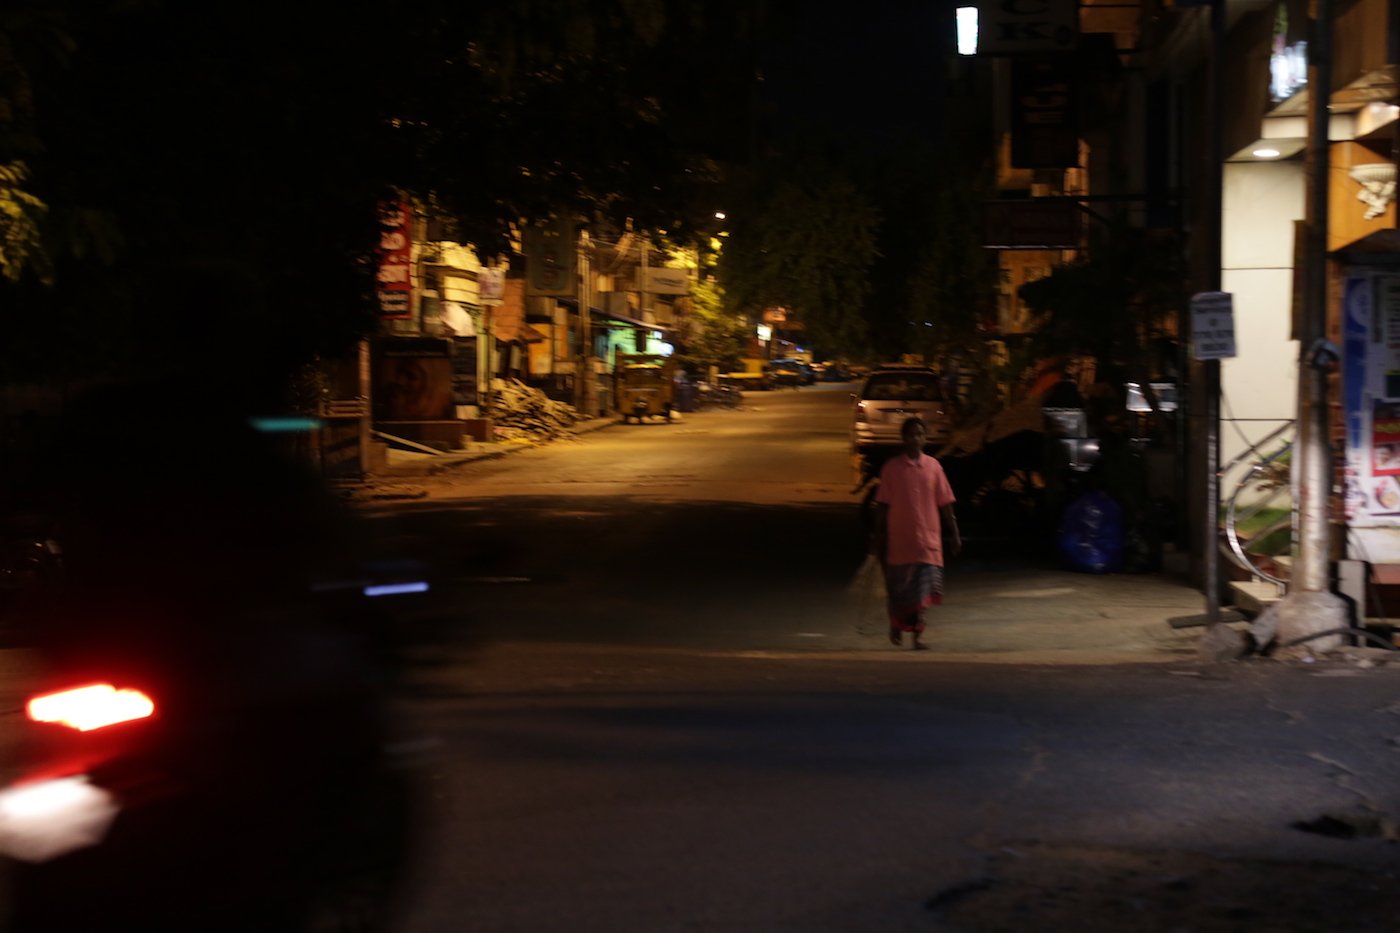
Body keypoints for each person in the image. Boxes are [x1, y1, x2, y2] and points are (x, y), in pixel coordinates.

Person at [872, 416, 961, 649]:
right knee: (899, 591)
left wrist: (955, 533)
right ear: (903, 438)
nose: (915, 439)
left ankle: (918, 636)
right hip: (901, 543)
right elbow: (883, 505)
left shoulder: (933, 467)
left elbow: (946, 503)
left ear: (925, 437)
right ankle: (896, 625)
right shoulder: (892, 469)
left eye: (919, 434)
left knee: (923, 593)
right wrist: (877, 535)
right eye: (911, 434)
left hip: (928, 543)